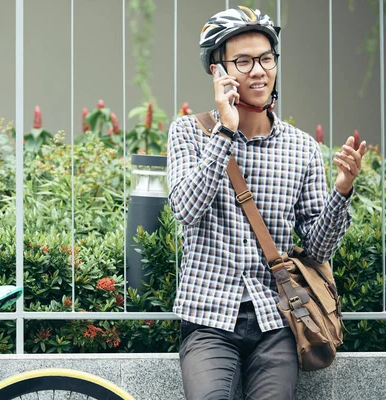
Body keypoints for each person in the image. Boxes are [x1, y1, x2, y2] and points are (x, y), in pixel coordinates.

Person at [167, 5, 367, 400]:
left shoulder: (302, 148)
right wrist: (225, 131)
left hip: (276, 320)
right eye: (242, 61)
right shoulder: (189, 134)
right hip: (207, 319)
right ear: (218, 71)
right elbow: (186, 209)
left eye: (265, 58)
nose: (258, 70)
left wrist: (341, 191)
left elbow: (317, 249)